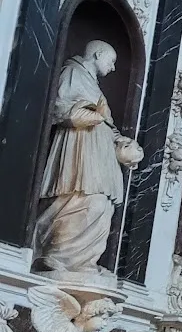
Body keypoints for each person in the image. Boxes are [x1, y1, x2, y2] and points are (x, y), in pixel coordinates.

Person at [34, 41, 142, 275]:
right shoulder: (72, 72)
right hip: (77, 149)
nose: (113, 68)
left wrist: (123, 144)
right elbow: (58, 107)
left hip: (100, 155)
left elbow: (108, 124)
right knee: (82, 200)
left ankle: (84, 262)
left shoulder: (95, 85)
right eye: (111, 61)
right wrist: (86, 116)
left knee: (103, 205)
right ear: (98, 54)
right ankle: (56, 256)